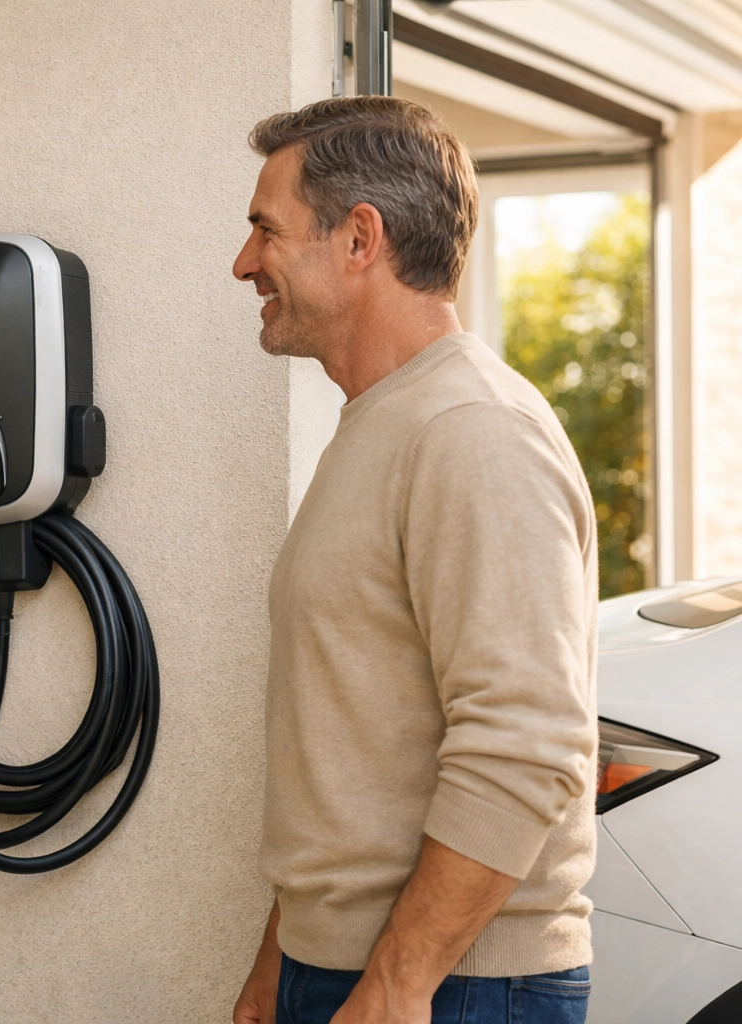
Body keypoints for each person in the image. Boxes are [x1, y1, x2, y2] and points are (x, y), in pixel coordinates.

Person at [229, 97, 599, 1024]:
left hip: (454, 987)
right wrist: (287, 950)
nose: (244, 264)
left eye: (265, 231)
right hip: (361, 971)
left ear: (360, 239)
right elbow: (358, 735)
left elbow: (526, 744)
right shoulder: (385, 426)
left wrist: (398, 982)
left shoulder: (472, 431)